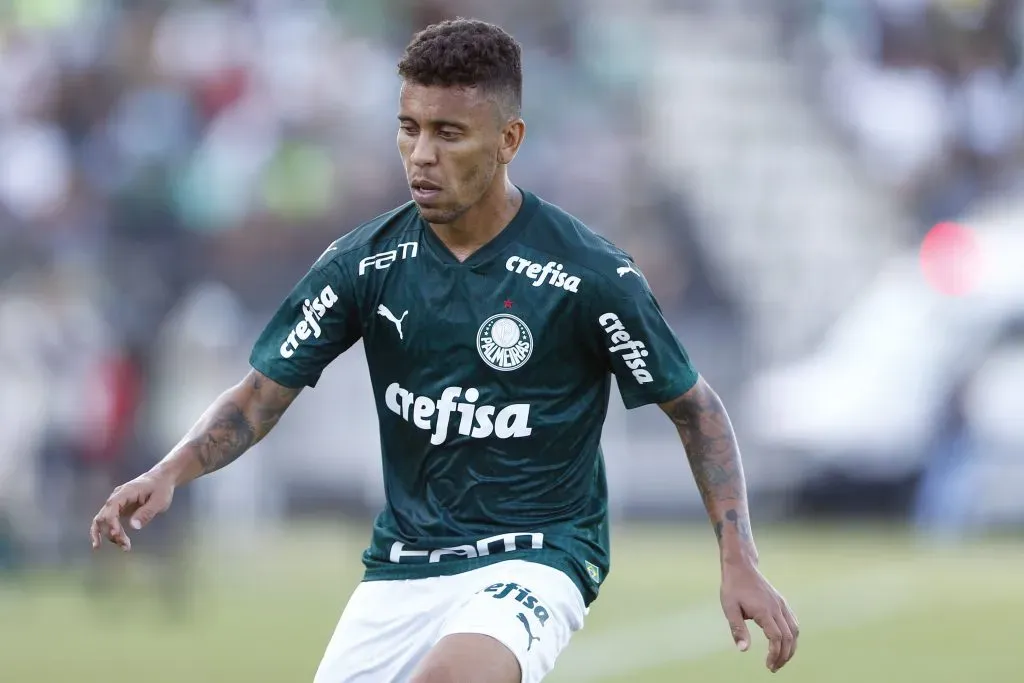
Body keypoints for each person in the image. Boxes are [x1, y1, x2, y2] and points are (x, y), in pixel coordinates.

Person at [90, 18, 799, 683]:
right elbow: (257, 396)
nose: (422, 155)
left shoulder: (587, 274)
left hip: (538, 553)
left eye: (449, 133)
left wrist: (738, 553)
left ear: (508, 139)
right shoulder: (364, 265)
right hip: (401, 566)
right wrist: (170, 471)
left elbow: (695, 406)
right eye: (409, 128)